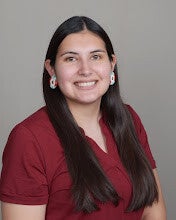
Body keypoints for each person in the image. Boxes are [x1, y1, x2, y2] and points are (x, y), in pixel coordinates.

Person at [0, 16, 166, 220]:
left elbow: (153, 211)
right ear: (51, 68)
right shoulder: (28, 139)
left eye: (96, 57)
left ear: (112, 64)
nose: (85, 70)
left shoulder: (129, 119)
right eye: (71, 58)